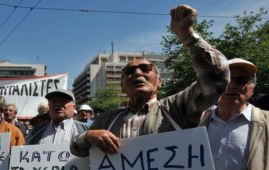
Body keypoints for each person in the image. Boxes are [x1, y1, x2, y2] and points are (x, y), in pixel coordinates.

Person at [71, 4, 229, 157]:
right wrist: (87, 136)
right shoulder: (107, 119)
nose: (137, 73)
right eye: (129, 71)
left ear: (159, 82)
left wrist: (187, 35)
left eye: (146, 69)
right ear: (122, 87)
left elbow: (218, 77)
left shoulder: (179, 107)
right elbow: (76, 149)